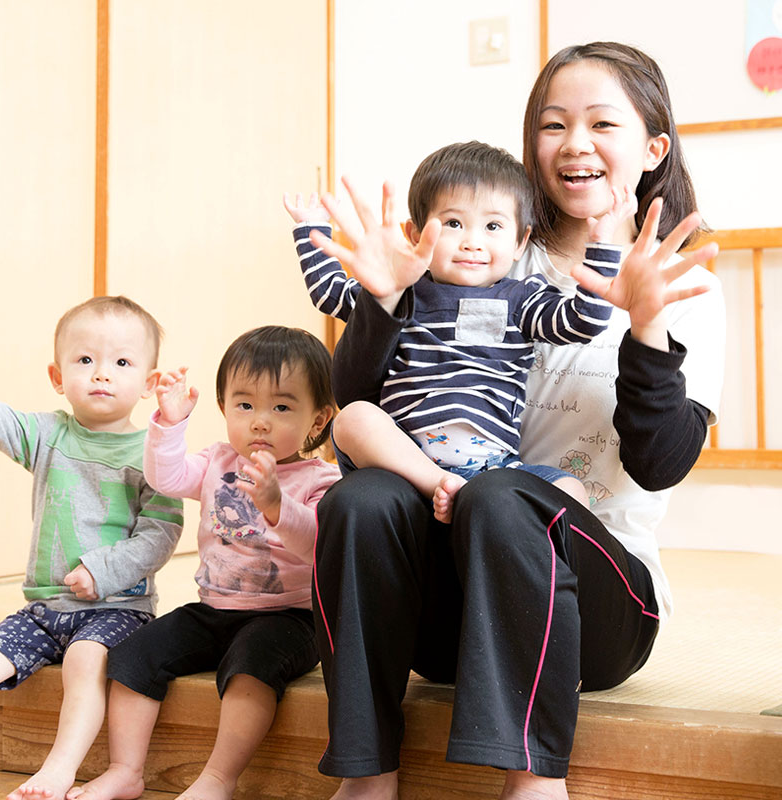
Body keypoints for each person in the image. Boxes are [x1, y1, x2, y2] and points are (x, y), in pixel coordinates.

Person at [306, 42, 725, 800]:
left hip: (595, 609)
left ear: (652, 147)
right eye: (552, 124)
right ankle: (365, 775)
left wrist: (646, 326)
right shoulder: (485, 249)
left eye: (602, 123)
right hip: (453, 605)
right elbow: (357, 406)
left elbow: (662, 463)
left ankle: (533, 780)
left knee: (503, 494)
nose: (574, 144)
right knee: (359, 497)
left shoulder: (682, 282)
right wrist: (382, 303)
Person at [0, 296, 184, 800]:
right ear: (57, 375)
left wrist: (102, 570)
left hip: (117, 608)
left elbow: (161, 533)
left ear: (151, 384)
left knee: (85, 660)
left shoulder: (154, 455)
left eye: (122, 362)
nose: (101, 374)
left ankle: (59, 770)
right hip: (45, 607)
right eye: (85, 360)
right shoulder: (49, 434)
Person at [285, 140, 637, 521]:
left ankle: (491, 521)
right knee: (353, 418)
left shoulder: (523, 298)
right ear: (415, 233)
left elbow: (581, 321)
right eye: (454, 223)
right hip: (404, 463)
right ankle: (439, 482)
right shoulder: (404, 289)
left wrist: (601, 245)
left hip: (496, 470)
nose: (472, 241)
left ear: (520, 242)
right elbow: (330, 294)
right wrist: (312, 229)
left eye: (493, 226)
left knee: (572, 491)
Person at [67, 325, 341, 800]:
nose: (259, 421)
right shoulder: (218, 461)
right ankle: (125, 769)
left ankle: (218, 779)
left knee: (249, 668)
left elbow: (316, 544)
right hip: (213, 609)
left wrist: (277, 503)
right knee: (134, 654)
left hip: (289, 619)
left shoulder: (322, 478)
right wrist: (169, 423)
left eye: (281, 407)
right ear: (223, 409)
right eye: (244, 404)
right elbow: (166, 476)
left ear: (318, 421)